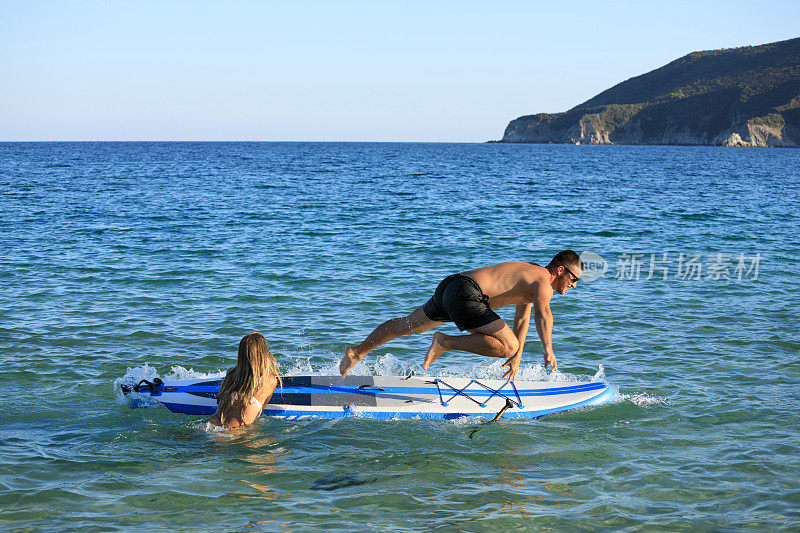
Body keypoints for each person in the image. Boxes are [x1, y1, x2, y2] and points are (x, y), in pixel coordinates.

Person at [339, 250, 582, 381]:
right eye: (573, 279)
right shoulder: (543, 281)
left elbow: (522, 319)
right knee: (508, 345)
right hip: (468, 294)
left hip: (453, 287)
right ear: (560, 270)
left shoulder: (532, 277)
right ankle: (444, 342)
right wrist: (548, 348)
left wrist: (516, 360)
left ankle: (357, 352)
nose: (573, 285)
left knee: (407, 325)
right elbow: (544, 313)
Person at [208, 332, 281, 429]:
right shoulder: (269, 380)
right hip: (235, 434)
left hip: (211, 424)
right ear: (264, 353)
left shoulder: (230, 374)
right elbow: (261, 409)